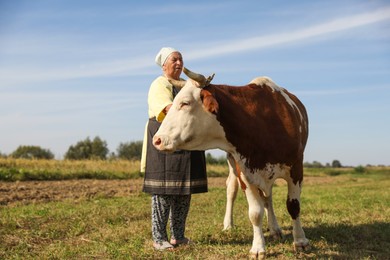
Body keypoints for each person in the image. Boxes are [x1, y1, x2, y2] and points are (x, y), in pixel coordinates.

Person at [140, 47, 208, 250]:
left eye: (181, 60)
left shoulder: (187, 85)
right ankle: (159, 238)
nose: (179, 63)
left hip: (186, 138)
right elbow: (169, 110)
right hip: (164, 138)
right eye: (174, 60)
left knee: (183, 192)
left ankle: (178, 236)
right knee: (163, 191)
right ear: (164, 65)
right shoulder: (159, 84)